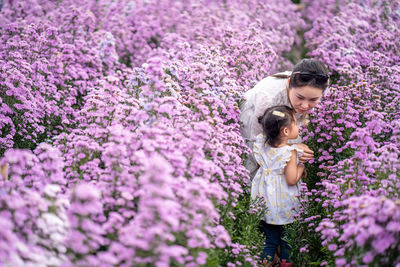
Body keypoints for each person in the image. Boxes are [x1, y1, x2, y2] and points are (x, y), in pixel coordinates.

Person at [240, 58, 330, 178]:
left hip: (287, 123)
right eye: (300, 97)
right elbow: (257, 143)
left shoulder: (318, 84)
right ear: (288, 83)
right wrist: (291, 149)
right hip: (256, 124)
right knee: (258, 173)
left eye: (313, 100)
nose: (305, 105)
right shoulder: (268, 98)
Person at [251, 105, 305, 266]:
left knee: (269, 241)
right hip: (284, 205)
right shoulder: (290, 152)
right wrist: (301, 167)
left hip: (265, 201)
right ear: (286, 132)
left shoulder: (261, 145)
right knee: (287, 242)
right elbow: (291, 179)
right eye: (295, 123)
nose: (298, 126)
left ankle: (264, 264)